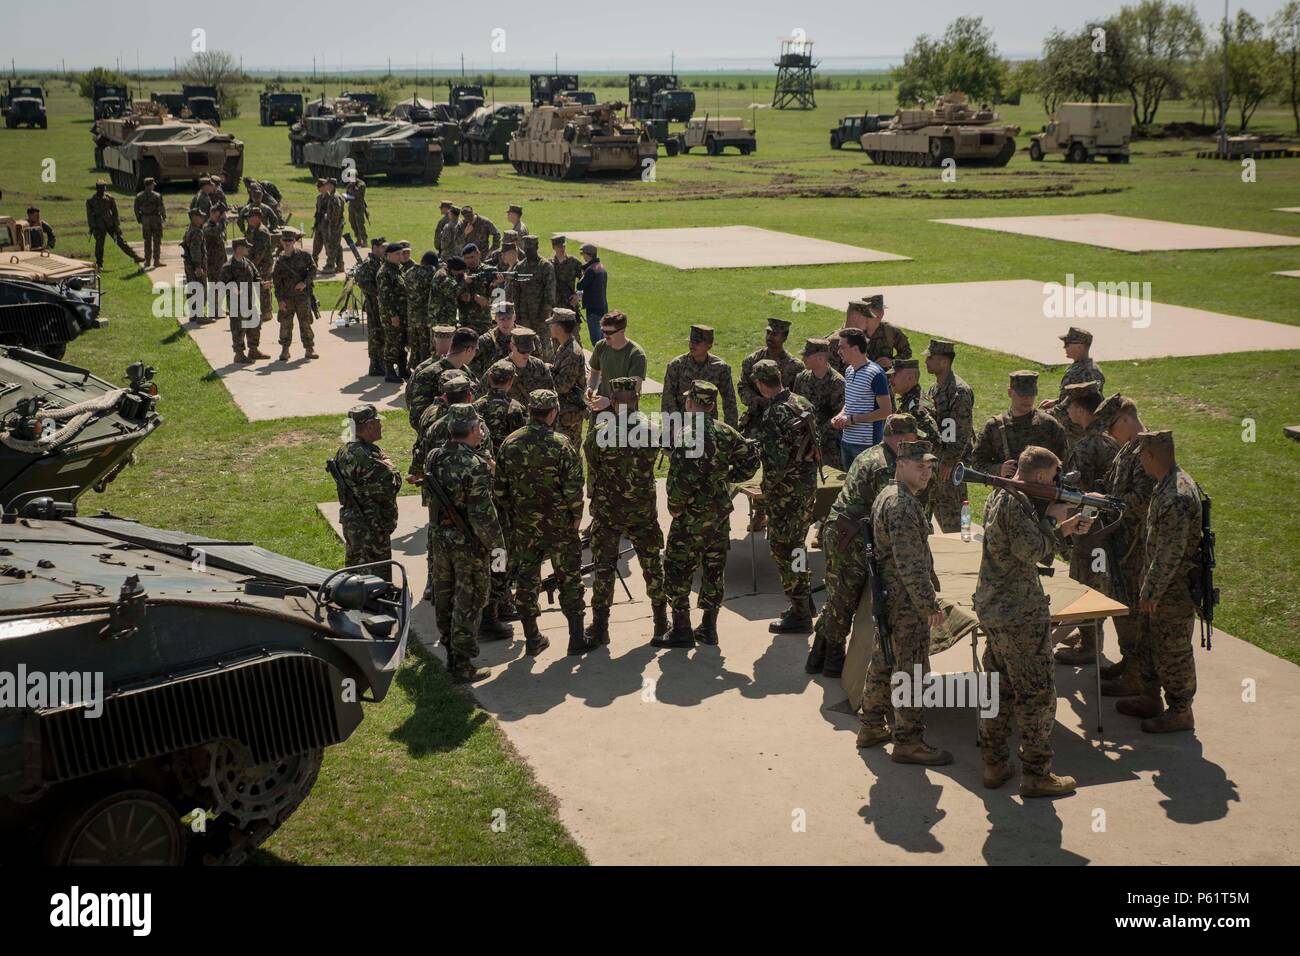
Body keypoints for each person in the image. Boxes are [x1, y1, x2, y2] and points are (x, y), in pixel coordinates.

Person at [975, 445, 1093, 798]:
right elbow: (1031, 550)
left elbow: (1025, 542)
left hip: (997, 608)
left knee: (998, 688)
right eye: (1054, 477)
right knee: (1037, 694)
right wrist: (1055, 519)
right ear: (1041, 477)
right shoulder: (1016, 502)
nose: (1056, 483)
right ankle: (1037, 774)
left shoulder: (1003, 495)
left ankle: (995, 763)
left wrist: (1064, 527)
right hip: (1018, 614)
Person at [857, 440, 951, 765]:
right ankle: (909, 740)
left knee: (883, 659)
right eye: (919, 466)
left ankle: (871, 725)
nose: (926, 473)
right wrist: (929, 604)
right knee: (912, 670)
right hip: (906, 601)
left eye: (929, 467)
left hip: (890, 596)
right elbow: (910, 563)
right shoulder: (903, 505)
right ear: (900, 465)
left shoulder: (889, 495)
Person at [807, 414, 922, 678]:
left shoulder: (874, 453)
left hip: (846, 531)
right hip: (852, 537)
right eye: (913, 439)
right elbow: (890, 511)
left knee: (838, 596)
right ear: (902, 439)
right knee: (844, 600)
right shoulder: (885, 467)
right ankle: (833, 660)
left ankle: (818, 655)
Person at [656, 381, 760, 648]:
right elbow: (750, 461)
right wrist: (727, 479)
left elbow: (678, 479)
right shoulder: (726, 432)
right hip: (718, 515)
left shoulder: (685, 435)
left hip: (690, 518)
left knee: (678, 569)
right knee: (714, 569)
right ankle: (708, 628)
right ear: (712, 405)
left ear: (690, 403)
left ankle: (681, 629)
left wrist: (675, 506)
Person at [1115, 430, 1204, 734]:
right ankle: (1150, 698)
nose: (1140, 461)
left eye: (1141, 456)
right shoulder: (1165, 485)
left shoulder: (1177, 495)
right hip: (1157, 584)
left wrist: (1151, 590)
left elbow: (1171, 552)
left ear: (1151, 455)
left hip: (1171, 590)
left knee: (1173, 650)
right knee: (1149, 643)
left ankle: (1181, 710)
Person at [495, 389, 595, 656]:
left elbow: (501, 490)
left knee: (526, 581)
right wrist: (576, 518)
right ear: (553, 413)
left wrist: (517, 515)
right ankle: (576, 638)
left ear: (529, 411)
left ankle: (532, 638)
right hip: (560, 527)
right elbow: (574, 488)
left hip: (525, 527)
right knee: (570, 580)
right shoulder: (561, 444)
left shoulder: (509, 443)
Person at [584, 376, 669, 644]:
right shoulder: (652, 429)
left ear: (613, 401)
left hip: (609, 511)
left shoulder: (600, 431)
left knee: (604, 568)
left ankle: (600, 628)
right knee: (652, 565)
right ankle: (660, 623)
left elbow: (593, 464)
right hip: (642, 510)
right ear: (636, 398)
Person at [426, 403, 505, 683]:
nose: (482, 433)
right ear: (472, 430)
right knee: (469, 601)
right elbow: (482, 515)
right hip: (467, 544)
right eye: (479, 428)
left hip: (439, 539)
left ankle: (450, 650)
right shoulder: (474, 465)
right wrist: (498, 547)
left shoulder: (435, 456)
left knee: (445, 596)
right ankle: (462, 665)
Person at [1093, 394, 1156, 697]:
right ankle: (1129, 661)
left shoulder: (1148, 451)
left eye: (1110, 426)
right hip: (1122, 542)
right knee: (1123, 607)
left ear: (1126, 419)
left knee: (1134, 613)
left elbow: (1143, 501)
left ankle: (1137, 676)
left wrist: (1107, 503)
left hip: (1137, 546)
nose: (1108, 433)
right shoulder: (1128, 449)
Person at [752, 359, 820, 633]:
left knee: (784, 550)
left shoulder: (774, 415)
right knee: (798, 546)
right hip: (806, 489)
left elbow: (776, 463)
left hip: (786, 497)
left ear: (759, 384)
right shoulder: (802, 403)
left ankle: (801, 614)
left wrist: (765, 492)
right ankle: (804, 601)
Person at [1054, 380, 1119, 666]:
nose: (1066, 411)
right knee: (1097, 579)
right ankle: (1088, 635)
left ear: (1079, 409)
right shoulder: (1109, 439)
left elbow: (1076, 490)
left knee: (1086, 582)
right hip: (1109, 527)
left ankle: (1090, 646)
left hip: (1090, 527)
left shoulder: (1087, 445)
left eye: (1069, 406)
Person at [332, 404, 402, 580]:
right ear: (370, 425)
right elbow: (391, 485)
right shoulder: (367, 457)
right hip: (370, 526)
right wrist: (390, 465)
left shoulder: (345, 450)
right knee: (376, 578)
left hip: (354, 521)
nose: (381, 425)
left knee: (354, 572)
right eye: (378, 422)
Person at [971, 371, 1068, 480]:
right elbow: (977, 462)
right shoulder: (994, 426)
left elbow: (1065, 463)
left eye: (1030, 394)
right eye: (1022, 394)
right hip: (1007, 492)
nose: (1027, 398)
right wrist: (999, 470)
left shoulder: (1049, 424)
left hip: (1042, 493)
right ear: (1010, 392)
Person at [924, 339, 975, 533]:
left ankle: (963, 547)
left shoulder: (959, 392)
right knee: (938, 508)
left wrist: (949, 461)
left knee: (955, 512)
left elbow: (961, 431)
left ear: (944, 362)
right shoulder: (935, 388)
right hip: (937, 460)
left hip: (951, 464)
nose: (926, 361)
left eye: (931, 358)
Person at [831, 327, 891, 468]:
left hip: (867, 444)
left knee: (866, 487)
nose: (838, 352)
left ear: (855, 349)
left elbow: (886, 411)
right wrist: (840, 416)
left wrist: (853, 419)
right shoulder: (849, 371)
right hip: (846, 441)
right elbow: (851, 402)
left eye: (842, 347)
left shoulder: (876, 374)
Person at [661, 324, 739, 429]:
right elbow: (668, 399)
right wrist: (674, 428)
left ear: (709, 345)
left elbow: (729, 402)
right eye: (691, 341)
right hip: (681, 425)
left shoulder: (720, 368)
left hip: (708, 426)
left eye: (697, 342)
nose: (692, 345)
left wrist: (730, 432)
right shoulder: (676, 365)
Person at [1040, 326, 1105, 452]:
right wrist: (1057, 401)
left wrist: (1043, 417)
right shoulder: (1094, 369)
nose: (1064, 347)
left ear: (1079, 346)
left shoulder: (1079, 373)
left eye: (1067, 344)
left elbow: (1070, 406)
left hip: (1075, 433)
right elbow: (1082, 397)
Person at [407, 327, 479, 428]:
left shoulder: (465, 371)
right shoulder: (428, 375)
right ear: (469, 350)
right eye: (475, 350)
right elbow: (416, 418)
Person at [793, 337, 845, 470]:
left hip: (829, 446)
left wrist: (816, 436)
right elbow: (794, 407)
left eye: (807, 356)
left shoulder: (837, 383)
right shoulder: (801, 378)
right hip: (803, 442)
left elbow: (839, 418)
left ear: (821, 359)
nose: (803, 359)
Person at [218, 237, 268, 364]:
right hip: (237, 305)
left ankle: (253, 350)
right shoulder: (228, 267)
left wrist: (262, 284)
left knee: (255, 326)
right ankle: (239, 354)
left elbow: (256, 277)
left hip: (251, 302)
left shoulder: (248, 263)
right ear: (239, 248)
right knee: (238, 329)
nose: (248, 249)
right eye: (246, 247)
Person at [271, 228, 318, 361]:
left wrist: (304, 282)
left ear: (294, 241)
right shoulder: (279, 261)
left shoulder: (304, 255)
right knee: (285, 324)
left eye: (290, 240)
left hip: (302, 297)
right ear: (281, 241)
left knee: (305, 323)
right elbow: (277, 283)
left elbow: (313, 269)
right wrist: (279, 300)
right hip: (287, 298)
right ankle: (285, 350)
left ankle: (309, 348)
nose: (287, 243)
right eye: (285, 240)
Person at [585, 311, 647, 409]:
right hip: (600, 408)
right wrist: (590, 387)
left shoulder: (636, 355)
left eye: (609, 332)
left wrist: (609, 401)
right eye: (603, 331)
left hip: (624, 413)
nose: (605, 335)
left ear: (622, 331)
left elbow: (633, 391)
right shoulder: (601, 346)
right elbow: (594, 372)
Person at [547, 308, 587, 448]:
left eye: (552, 324)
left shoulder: (571, 353)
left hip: (570, 413)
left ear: (559, 327)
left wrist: (546, 374)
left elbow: (562, 386)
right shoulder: (564, 346)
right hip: (564, 411)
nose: (550, 327)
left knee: (570, 452)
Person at [513, 235, 558, 361]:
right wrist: (516, 312)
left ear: (537, 247)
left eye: (531, 248)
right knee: (524, 344)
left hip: (541, 315)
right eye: (526, 248)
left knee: (544, 345)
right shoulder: (520, 267)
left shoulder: (545, 266)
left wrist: (545, 312)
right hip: (524, 315)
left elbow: (550, 292)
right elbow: (516, 291)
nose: (528, 251)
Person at [86, 180, 143, 270]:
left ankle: (135, 257)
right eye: (100, 188)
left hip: (111, 225)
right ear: (97, 189)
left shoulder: (110, 198)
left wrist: (116, 226)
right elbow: (90, 215)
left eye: (103, 188)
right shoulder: (91, 201)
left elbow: (115, 213)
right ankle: (99, 264)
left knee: (121, 242)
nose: (102, 190)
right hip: (99, 226)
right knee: (99, 246)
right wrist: (93, 227)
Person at [355, 237, 387, 376]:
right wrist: (378, 293)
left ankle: (381, 362)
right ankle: (375, 364)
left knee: (382, 334)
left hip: (381, 306)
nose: (384, 249)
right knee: (375, 335)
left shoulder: (381, 262)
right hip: (373, 305)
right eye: (382, 247)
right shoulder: (368, 264)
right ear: (374, 247)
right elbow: (363, 283)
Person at [377, 242, 409, 382]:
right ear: (388, 255)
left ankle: (402, 369)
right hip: (392, 315)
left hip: (401, 313)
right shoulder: (385, 272)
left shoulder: (397, 269)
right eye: (397, 254)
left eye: (401, 253)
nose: (400, 256)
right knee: (392, 342)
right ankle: (389, 372)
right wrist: (393, 315)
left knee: (401, 342)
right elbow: (385, 297)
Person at [403, 251, 439, 369]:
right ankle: (422, 370)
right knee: (425, 346)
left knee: (414, 344)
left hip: (412, 314)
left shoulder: (409, 272)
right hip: (424, 315)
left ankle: (411, 366)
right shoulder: (430, 273)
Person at [859, 294, 911, 370]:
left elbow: (907, 352)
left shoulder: (890, 331)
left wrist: (892, 362)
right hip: (861, 377)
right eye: (876, 310)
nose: (880, 313)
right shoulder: (855, 330)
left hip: (885, 377)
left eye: (881, 310)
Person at [506, 328, 555, 406]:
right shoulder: (501, 369)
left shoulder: (539, 366)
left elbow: (552, 395)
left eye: (529, 350)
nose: (526, 354)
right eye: (522, 351)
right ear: (512, 346)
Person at [470, 301, 517, 379]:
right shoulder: (485, 340)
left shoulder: (526, 337)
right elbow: (474, 369)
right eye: (502, 319)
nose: (506, 322)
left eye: (509, 318)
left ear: (514, 317)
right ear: (495, 319)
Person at [457, 244, 494, 334]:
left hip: (483, 322)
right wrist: (464, 283)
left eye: (472, 257)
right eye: (467, 258)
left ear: (478, 254)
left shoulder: (488, 271)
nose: (470, 260)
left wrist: (488, 300)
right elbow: (453, 293)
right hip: (465, 321)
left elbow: (496, 298)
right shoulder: (460, 273)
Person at [576, 242, 608, 344]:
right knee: (603, 339)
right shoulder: (601, 267)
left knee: (596, 340)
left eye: (583, 254)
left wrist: (582, 273)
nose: (582, 256)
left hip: (593, 310)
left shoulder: (591, 270)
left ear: (587, 254)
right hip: (603, 307)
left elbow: (580, 286)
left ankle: (600, 359)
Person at [201, 204, 228, 320]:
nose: (219, 217)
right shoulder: (207, 226)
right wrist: (222, 221)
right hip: (212, 262)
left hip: (220, 261)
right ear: (212, 214)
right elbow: (217, 232)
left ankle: (219, 308)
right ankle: (213, 310)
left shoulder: (217, 225)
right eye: (218, 215)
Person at [132, 177, 166, 269]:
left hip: (145, 219)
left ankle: (147, 261)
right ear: (150, 185)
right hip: (155, 219)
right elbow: (161, 207)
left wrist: (139, 218)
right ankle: (156, 261)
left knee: (147, 240)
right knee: (157, 240)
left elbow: (136, 209)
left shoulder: (139, 196)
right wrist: (164, 217)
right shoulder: (157, 195)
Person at [313, 178, 345, 274]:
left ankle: (330, 266)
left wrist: (331, 223)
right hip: (328, 225)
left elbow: (336, 212)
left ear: (331, 185)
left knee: (332, 245)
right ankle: (340, 265)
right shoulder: (330, 196)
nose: (324, 186)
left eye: (326, 184)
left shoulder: (334, 197)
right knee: (336, 245)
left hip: (333, 226)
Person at [180, 208, 207, 321]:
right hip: (195, 265)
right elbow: (196, 250)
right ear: (194, 218)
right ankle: (200, 315)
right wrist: (198, 266)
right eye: (200, 216)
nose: (203, 218)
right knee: (200, 288)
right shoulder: (196, 232)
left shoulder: (189, 229)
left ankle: (193, 314)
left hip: (189, 264)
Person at [551, 235, 583, 323]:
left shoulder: (573, 262)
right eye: (559, 246)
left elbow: (585, 279)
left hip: (570, 304)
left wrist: (578, 295)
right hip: (555, 306)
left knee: (574, 332)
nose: (562, 248)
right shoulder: (549, 264)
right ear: (553, 247)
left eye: (563, 246)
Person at [345, 176, 368, 247]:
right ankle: (358, 239)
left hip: (359, 207)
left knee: (360, 224)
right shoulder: (350, 185)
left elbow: (357, 193)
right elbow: (347, 193)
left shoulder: (361, 184)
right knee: (353, 223)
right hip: (351, 207)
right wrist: (346, 196)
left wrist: (351, 188)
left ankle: (364, 240)